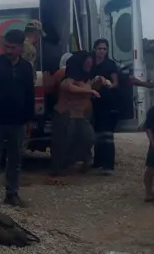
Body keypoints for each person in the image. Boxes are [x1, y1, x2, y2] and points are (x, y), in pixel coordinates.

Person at [0, 29, 35, 207]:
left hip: (18, 121)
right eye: (7, 47)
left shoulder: (26, 68)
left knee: (15, 159)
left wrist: (29, 120)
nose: (9, 51)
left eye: (13, 47)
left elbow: (29, 95)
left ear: (21, 48)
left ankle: (12, 194)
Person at [48, 51, 99, 182]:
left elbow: (88, 89)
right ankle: (58, 168)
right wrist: (89, 90)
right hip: (64, 112)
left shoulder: (85, 76)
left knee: (88, 137)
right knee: (63, 141)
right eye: (87, 63)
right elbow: (67, 86)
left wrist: (99, 83)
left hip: (79, 114)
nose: (90, 65)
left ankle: (71, 161)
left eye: (91, 62)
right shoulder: (67, 74)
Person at [90, 39, 121, 175]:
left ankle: (108, 165)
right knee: (97, 133)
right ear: (94, 49)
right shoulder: (90, 62)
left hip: (107, 101)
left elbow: (116, 83)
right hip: (93, 100)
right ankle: (97, 162)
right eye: (99, 48)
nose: (102, 51)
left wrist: (107, 84)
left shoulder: (110, 64)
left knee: (107, 134)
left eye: (104, 49)